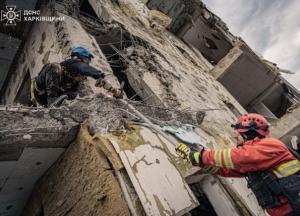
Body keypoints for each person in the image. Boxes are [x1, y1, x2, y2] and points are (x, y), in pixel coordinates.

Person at [176, 113, 300, 216]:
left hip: (293, 206)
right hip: (282, 211)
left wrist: (201, 156)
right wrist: (200, 163)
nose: (235, 137)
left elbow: (239, 157)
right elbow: (230, 170)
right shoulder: (254, 157)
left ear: (248, 133)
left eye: (238, 134)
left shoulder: (270, 145)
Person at [31, 46, 123, 107]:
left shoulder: (75, 78)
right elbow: (81, 67)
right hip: (41, 91)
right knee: (54, 67)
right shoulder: (70, 63)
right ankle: (52, 103)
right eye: (87, 61)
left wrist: (112, 90)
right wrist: (98, 75)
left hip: (46, 100)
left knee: (74, 92)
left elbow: (75, 90)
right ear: (79, 57)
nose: (87, 63)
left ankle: (57, 104)